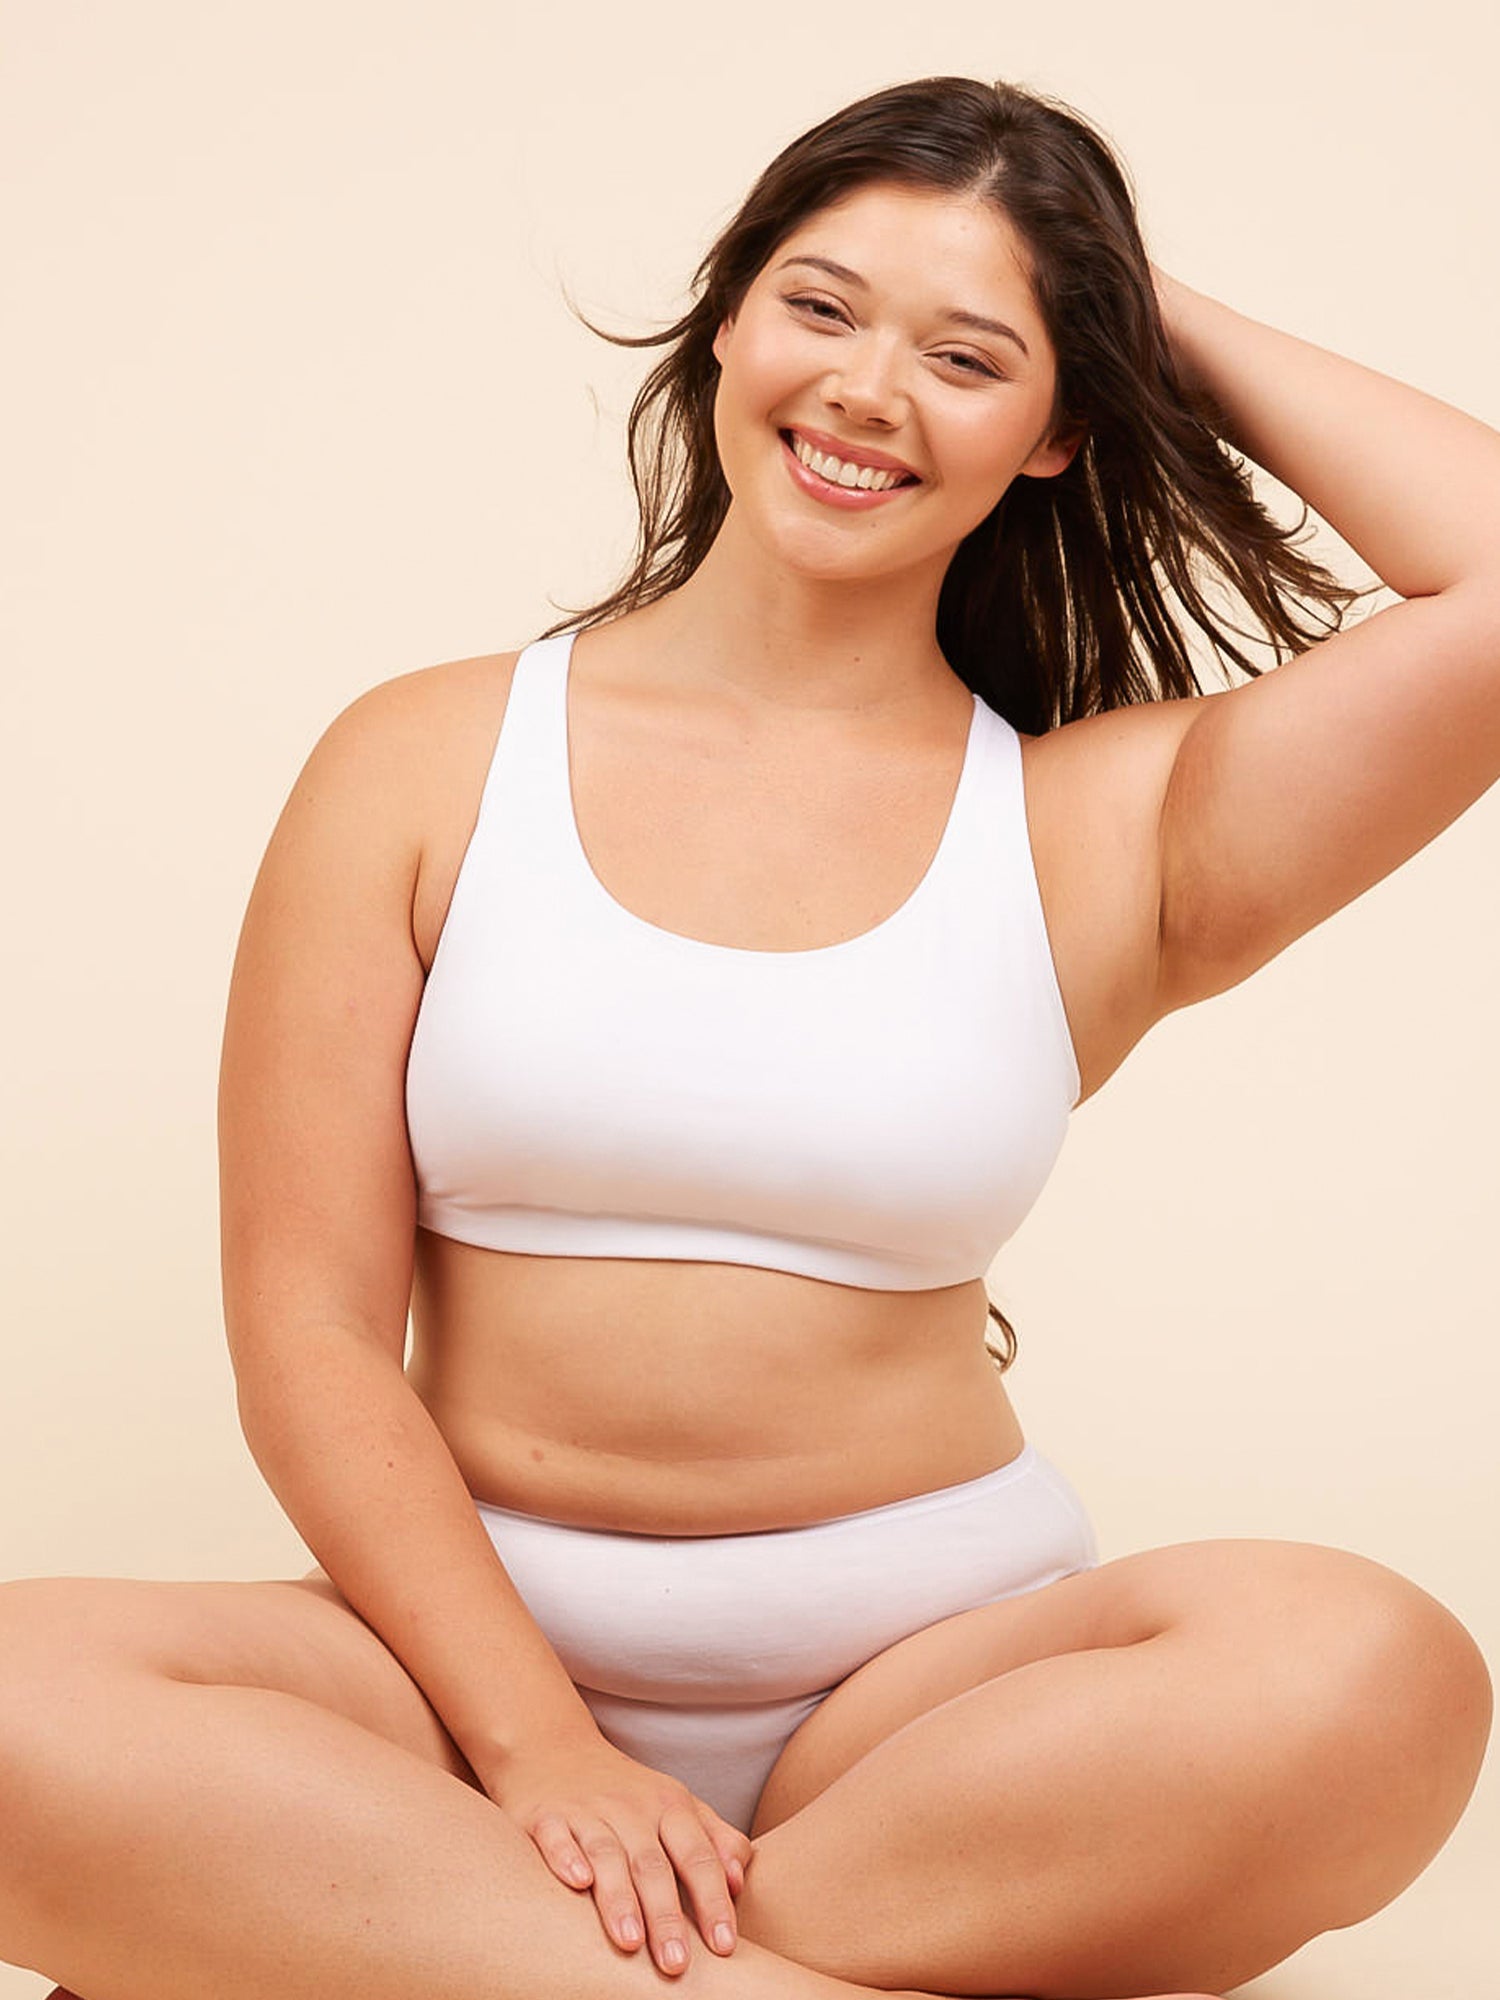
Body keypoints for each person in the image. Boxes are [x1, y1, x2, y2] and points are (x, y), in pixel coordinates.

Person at [2, 71, 1494, 2000]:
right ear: (728, 324)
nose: (871, 388)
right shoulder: (424, 759)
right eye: (823, 305)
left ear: (1056, 431)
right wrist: (540, 1754)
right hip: (450, 1698)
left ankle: (433, 1959)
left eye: (971, 355)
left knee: (1375, 1672)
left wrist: (1122, 290)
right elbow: (304, 1329)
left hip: (921, 1718)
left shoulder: (1098, 829)